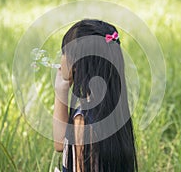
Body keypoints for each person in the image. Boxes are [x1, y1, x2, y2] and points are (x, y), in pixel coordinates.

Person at [53, 19, 138, 172]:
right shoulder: (113, 110)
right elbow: (61, 144)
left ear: (76, 64)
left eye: (63, 52)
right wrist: (61, 92)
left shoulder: (83, 121)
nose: (61, 58)